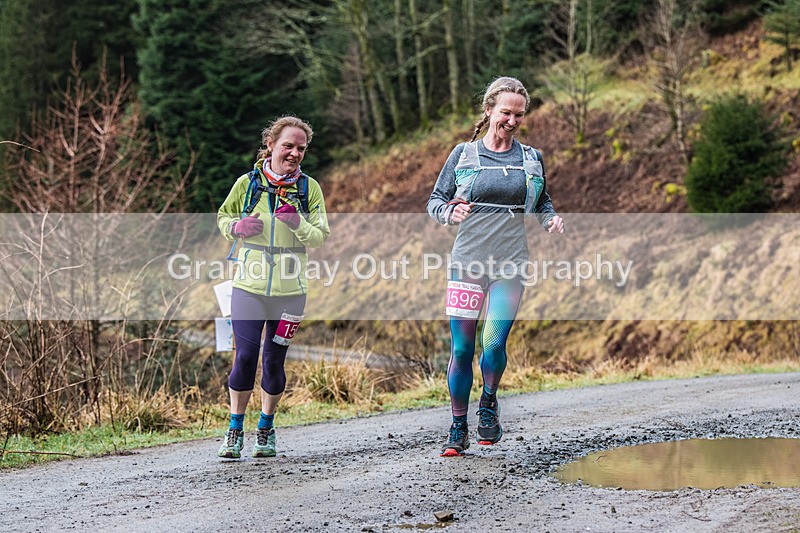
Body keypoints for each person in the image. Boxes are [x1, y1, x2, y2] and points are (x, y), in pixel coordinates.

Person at [426, 77, 564, 457]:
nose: (513, 120)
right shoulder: (464, 154)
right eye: (506, 112)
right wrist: (450, 213)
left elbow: (542, 201)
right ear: (488, 110)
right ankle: (458, 426)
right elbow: (435, 201)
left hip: (511, 264)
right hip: (468, 261)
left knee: (493, 342)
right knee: (462, 347)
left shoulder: (531, 158)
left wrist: (550, 219)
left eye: (519, 114)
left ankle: (488, 401)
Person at [217, 116, 330, 459]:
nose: (294, 153)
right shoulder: (247, 183)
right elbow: (223, 218)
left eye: (301, 148)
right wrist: (237, 226)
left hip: (291, 292)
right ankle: (235, 429)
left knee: (274, 361)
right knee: (246, 357)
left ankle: (265, 427)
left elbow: (320, 236)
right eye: (288, 146)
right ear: (270, 145)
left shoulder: (308, 189)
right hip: (248, 287)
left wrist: (297, 222)